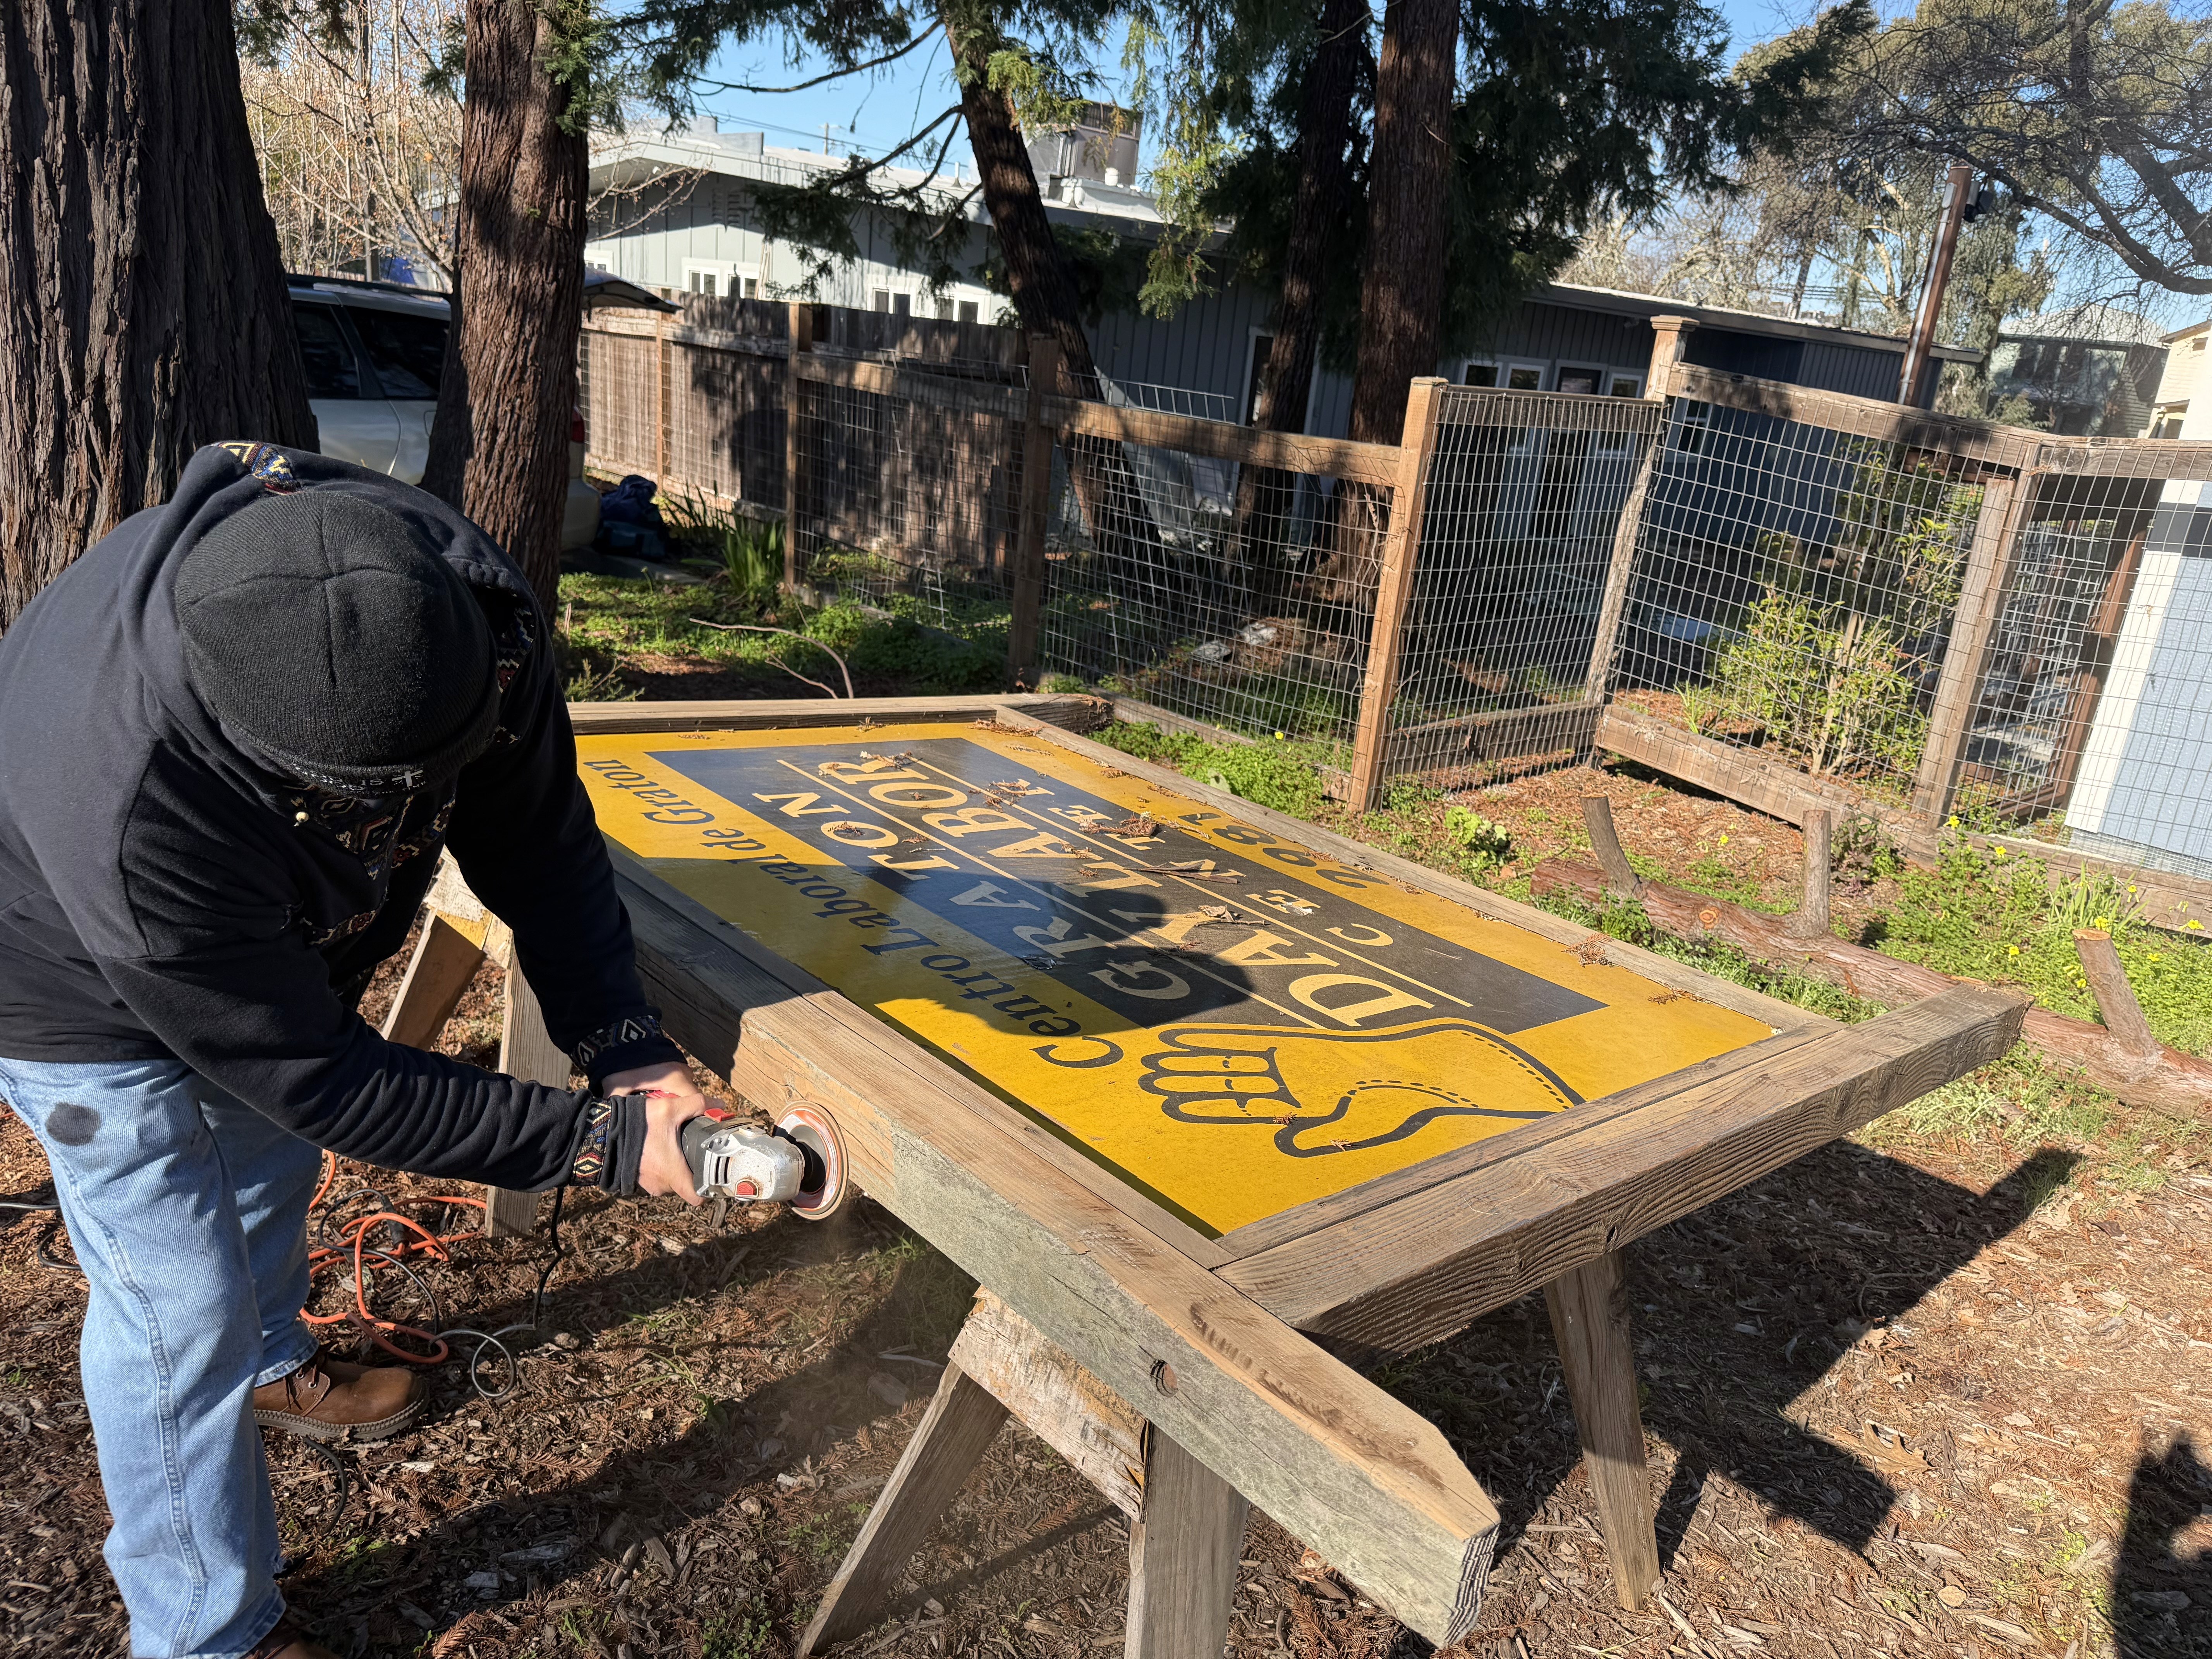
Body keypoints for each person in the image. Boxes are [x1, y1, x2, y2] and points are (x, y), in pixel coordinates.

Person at [0, 443, 709, 1659]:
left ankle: (275, 1367)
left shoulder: (465, 613)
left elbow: (538, 836)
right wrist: (596, 1143)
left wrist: (627, 1046)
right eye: (367, 816)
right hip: (60, 973)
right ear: (269, 772)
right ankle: (204, 1634)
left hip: (262, 932)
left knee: (271, 1163)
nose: (400, 841)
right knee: (176, 1307)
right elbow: (322, 1071)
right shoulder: (127, 802)